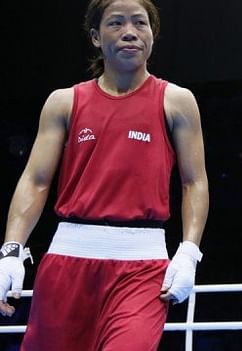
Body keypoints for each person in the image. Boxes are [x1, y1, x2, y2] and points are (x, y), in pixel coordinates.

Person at [0, 0, 209, 349]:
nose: (130, 32)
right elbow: (35, 180)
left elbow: (195, 182)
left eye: (140, 23)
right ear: (96, 37)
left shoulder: (176, 101)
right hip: (67, 259)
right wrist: (10, 250)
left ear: (152, 35)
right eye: (116, 23)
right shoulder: (64, 102)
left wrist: (189, 251)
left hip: (142, 266)